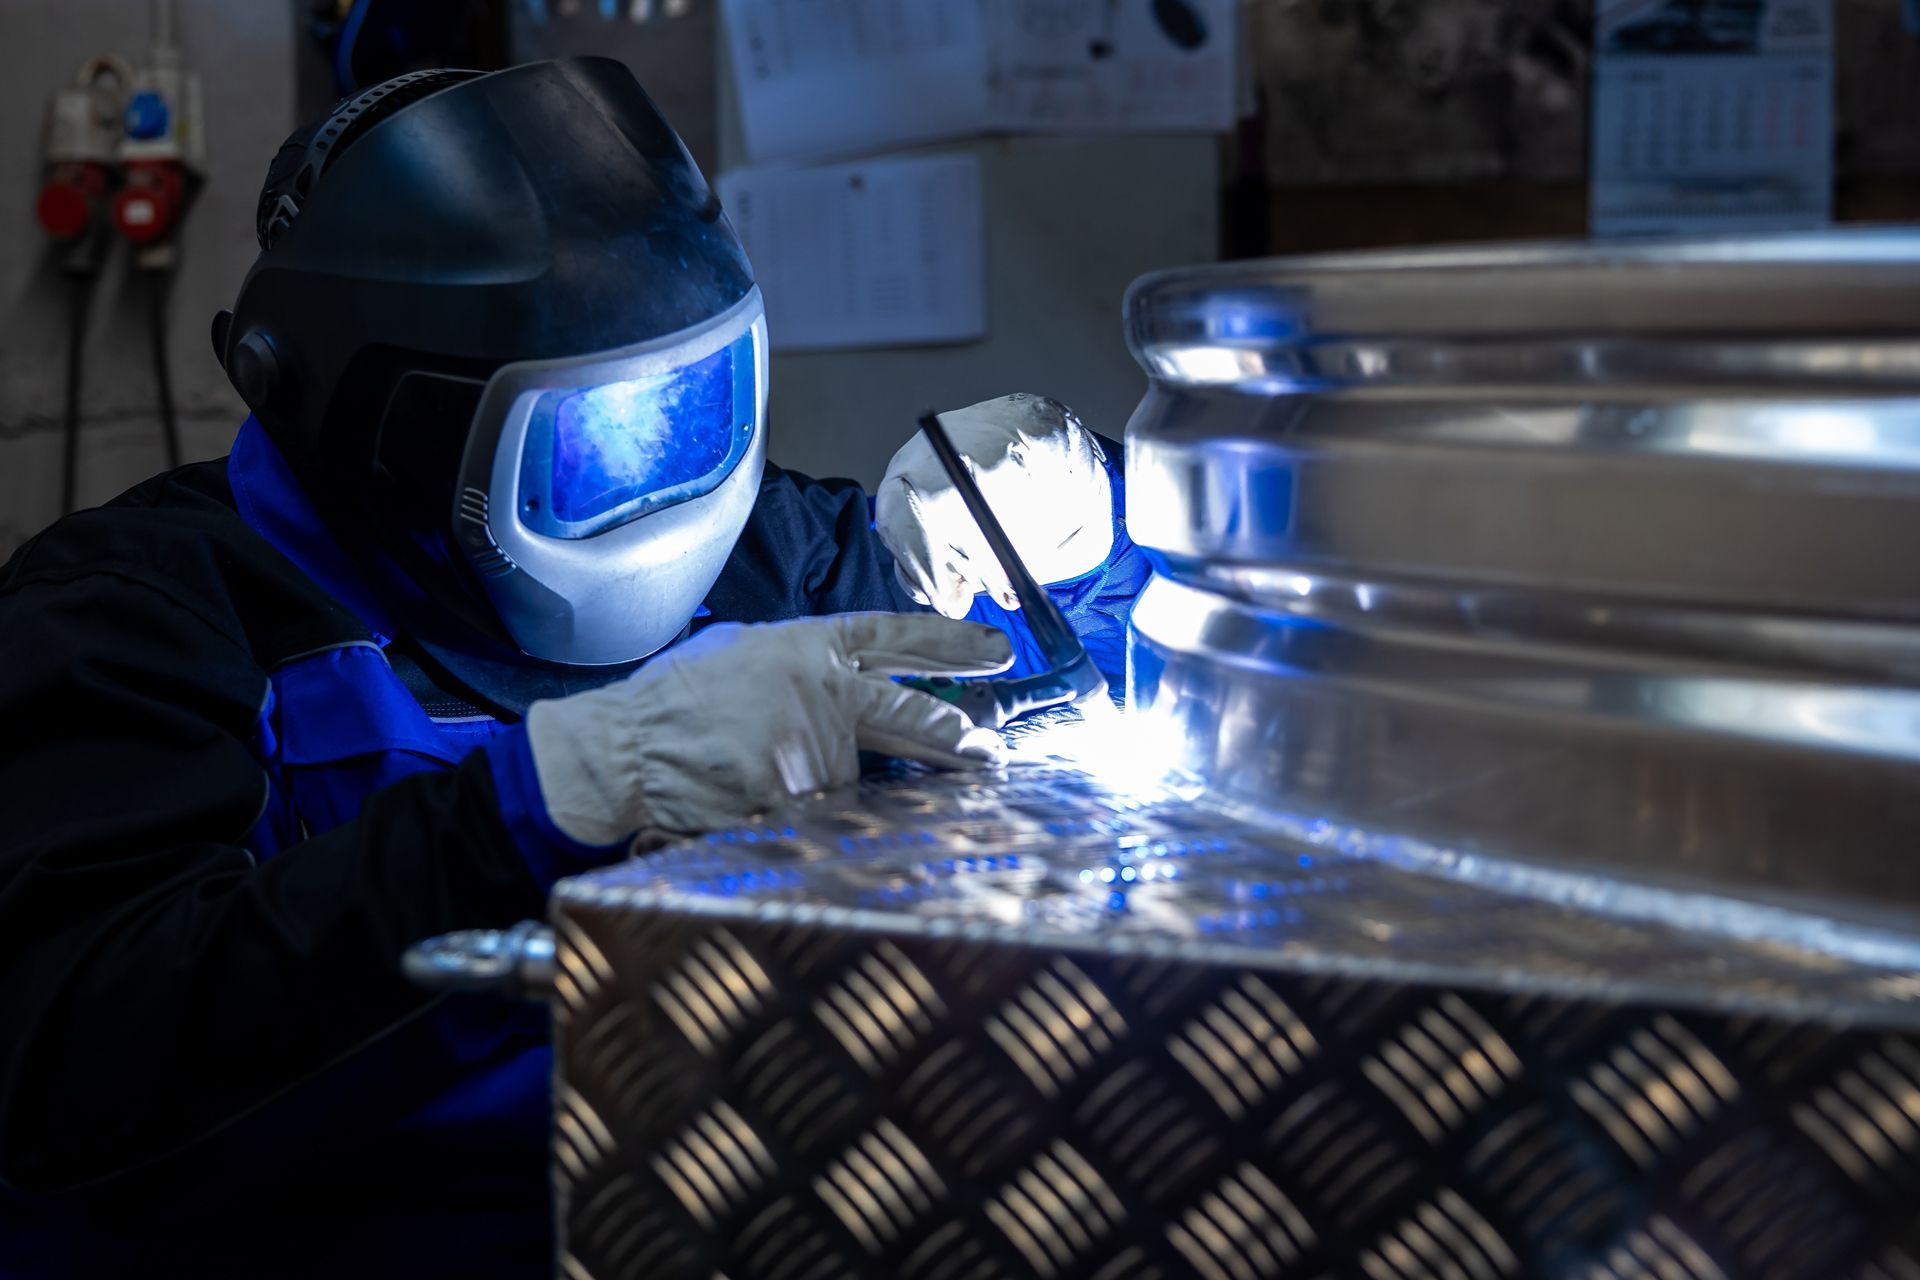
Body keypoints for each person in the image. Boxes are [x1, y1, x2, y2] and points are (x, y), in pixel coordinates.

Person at [0, 59, 1147, 1275]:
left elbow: (1139, 681)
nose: (660, 486)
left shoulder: (775, 554)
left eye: (694, 409)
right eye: (594, 442)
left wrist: (1093, 528)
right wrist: (535, 811)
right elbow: (73, 1082)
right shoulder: (136, 623)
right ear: (385, 420)